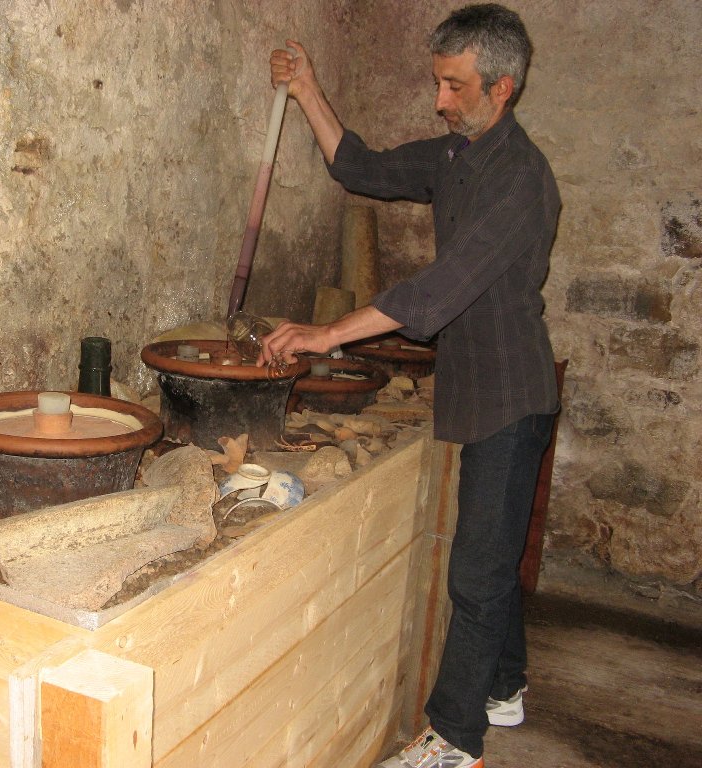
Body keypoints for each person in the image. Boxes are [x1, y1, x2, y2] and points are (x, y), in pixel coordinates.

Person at [260, 5, 559, 768]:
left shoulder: (521, 181)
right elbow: (360, 167)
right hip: (475, 386)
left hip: (510, 396)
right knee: (490, 554)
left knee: (476, 570)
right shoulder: (457, 153)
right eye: (438, 83)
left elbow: (437, 290)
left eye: (454, 87)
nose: (439, 101)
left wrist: (326, 333)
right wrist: (308, 91)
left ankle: (454, 740)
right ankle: (505, 686)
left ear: (502, 87)